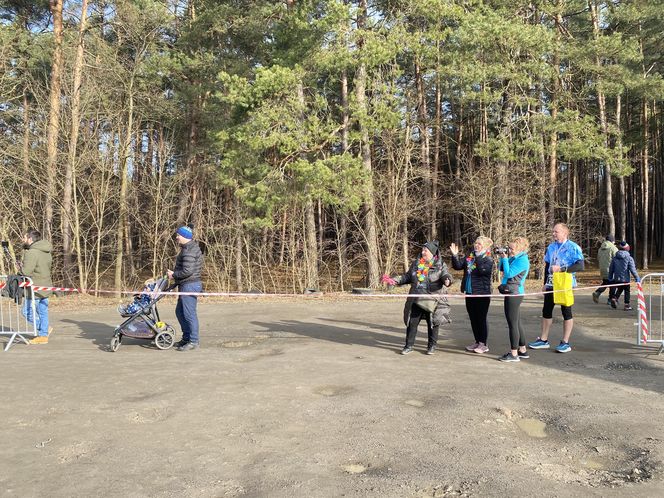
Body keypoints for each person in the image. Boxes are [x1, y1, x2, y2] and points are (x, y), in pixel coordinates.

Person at [382, 240, 453, 355]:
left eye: (426, 250)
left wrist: (447, 280)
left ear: (432, 253)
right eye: (423, 249)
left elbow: (445, 274)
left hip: (433, 299)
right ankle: (408, 346)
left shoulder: (440, 265)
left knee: (433, 324)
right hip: (417, 298)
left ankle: (431, 346)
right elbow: (407, 276)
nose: (423, 252)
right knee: (412, 322)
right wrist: (395, 280)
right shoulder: (416, 264)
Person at [528, 223, 584, 353]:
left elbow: (580, 266)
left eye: (556, 232)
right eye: (553, 232)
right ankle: (543, 340)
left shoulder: (573, 247)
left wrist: (562, 269)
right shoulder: (551, 247)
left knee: (566, 311)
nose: (553, 234)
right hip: (551, 283)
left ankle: (565, 342)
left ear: (565, 233)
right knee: (546, 310)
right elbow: (548, 265)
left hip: (565, 282)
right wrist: (544, 283)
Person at [450, 236, 494, 354]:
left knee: (481, 318)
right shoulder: (470, 257)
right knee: (473, 318)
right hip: (469, 292)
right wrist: (454, 255)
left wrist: (478, 256)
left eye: (479, 244)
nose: (476, 246)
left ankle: (483, 344)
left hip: (482, 293)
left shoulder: (488, 259)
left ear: (484, 246)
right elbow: (458, 266)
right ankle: (477, 341)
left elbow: (482, 271)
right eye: (476, 243)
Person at [167, 225, 203, 351]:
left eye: (178, 235)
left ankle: (193, 341)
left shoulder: (190, 250)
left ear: (184, 236)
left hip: (190, 285)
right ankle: (186, 338)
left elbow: (187, 271)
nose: (176, 237)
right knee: (180, 312)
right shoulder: (187, 248)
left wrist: (173, 275)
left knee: (189, 314)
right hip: (186, 284)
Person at [496, 237, 530, 362]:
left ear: (521, 248)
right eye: (509, 247)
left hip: (514, 294)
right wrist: (502, 257)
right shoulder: (514, 258)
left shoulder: (522, 261)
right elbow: (501, 269)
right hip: (511, 292)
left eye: (512, 248)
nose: (509, 250)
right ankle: (522, 350)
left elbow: (508, 274)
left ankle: (514, 354)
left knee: (512, 324)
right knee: (517, 322)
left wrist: (505, 259)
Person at [21, 229, 53, 345]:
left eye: (24, 237)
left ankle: (43, 329)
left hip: (35, 287)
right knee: (43, 311)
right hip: (46, 285)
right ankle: (44, 335)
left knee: (26, 311)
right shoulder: (46, 251)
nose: (23, 240)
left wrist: (20, 271)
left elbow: (26, 271)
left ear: (30, 239)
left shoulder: (32, 252)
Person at [608, 241, 640, 311]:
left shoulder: (615, 258)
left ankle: (614, 298)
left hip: (617, 278)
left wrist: (610, 277)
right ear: (627, 249)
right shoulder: (629, 258)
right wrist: (637, 277)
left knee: (620, 288)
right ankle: (626, 305)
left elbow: (611, 268)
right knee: (627, 291)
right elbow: (632, 269)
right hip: (625, 279)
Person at [592, 235, 618, 305]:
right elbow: (617, 258)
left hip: (602, 268)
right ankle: (610, 299)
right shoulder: (613, 248)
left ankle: (597, 292)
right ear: (612, 240)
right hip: (611, 269)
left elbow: (598, 258)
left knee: (606, 282)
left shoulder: (600, 248)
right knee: (613, 284)